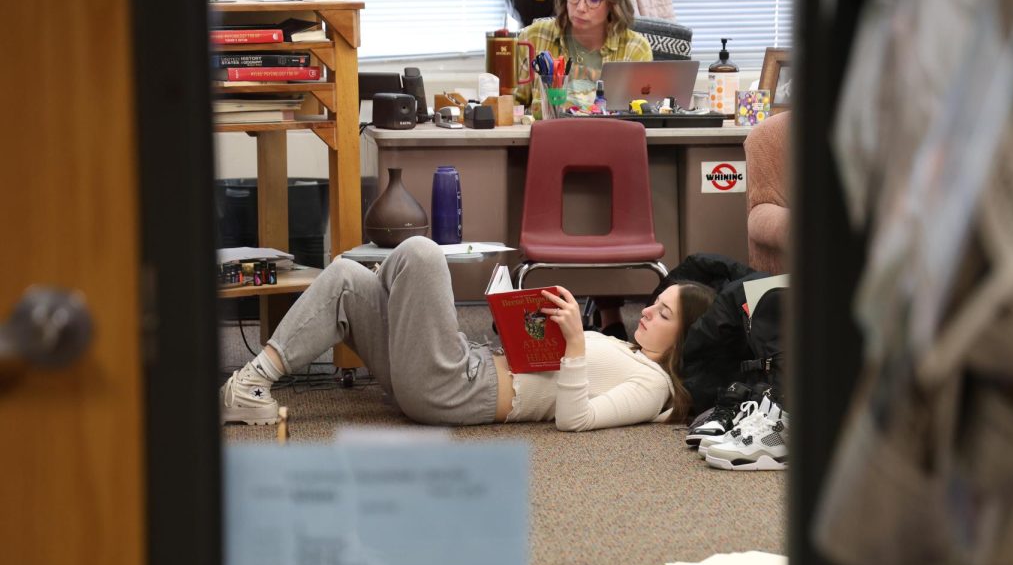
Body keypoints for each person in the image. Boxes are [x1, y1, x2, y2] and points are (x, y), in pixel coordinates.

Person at [220, 236, 716, 431]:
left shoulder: (653, 388)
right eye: (655, 302)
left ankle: (391, 297)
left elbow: (576, 420)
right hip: (465, 363)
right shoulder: (628, 348)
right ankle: (250, 382)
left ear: (685, 336)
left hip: (460, 389)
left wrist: (577, 344)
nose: (649, 311)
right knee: (349, 277)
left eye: (665, 314)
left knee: (422, 253)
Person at [514, 0, 652, 116]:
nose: (580, 8)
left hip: (609, 138)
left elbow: (640, 118)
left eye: (593, 0)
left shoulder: (635, 49)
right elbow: (511, 105)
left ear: (612, 3)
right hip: (548, 137)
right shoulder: (533, 38)